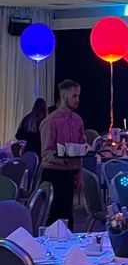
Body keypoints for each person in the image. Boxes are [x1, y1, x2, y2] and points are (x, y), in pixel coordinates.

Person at [40, 80, 84, 226]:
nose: (77, 100)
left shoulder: (78, 121)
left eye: (78, 96)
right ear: (64, 97)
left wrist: (80, 176)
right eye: (74, 96)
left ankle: (69, 247)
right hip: (53, 174)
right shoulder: (51, 121)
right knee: (54, 216)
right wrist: (63, 159)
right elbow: (46, 152)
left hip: (69, 174)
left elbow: (79, 151)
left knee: (68, 216)